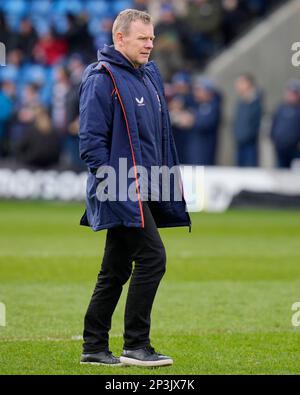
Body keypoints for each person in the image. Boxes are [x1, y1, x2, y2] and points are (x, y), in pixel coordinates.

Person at [78, 9, 191, 367]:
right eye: (143, 38)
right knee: (152, 257)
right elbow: (91, 144)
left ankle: (94, 347)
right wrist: (117, 186)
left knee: (114, 270)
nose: (150, 44)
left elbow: (157, 136)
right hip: (121, 190)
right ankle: (136, 345)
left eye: (153, 37)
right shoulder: (102, 78)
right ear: (120, 38)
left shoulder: (149, 75)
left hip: (148, 187)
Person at [233, 73, 263, 167]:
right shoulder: (241, 102)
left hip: (250, 143)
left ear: (248, 84)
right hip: (240, 141)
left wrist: (246, 135)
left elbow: (254, 123)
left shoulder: (255, 101)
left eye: (241, 83)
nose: (237, 86)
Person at [271, 80, 300, 168]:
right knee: (281, 170)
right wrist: (272, 137)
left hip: (295, 148)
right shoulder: (281, 108)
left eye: (294, 93)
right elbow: (274, 123)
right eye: (289, 92)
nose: (291, 95)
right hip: (281, 147)